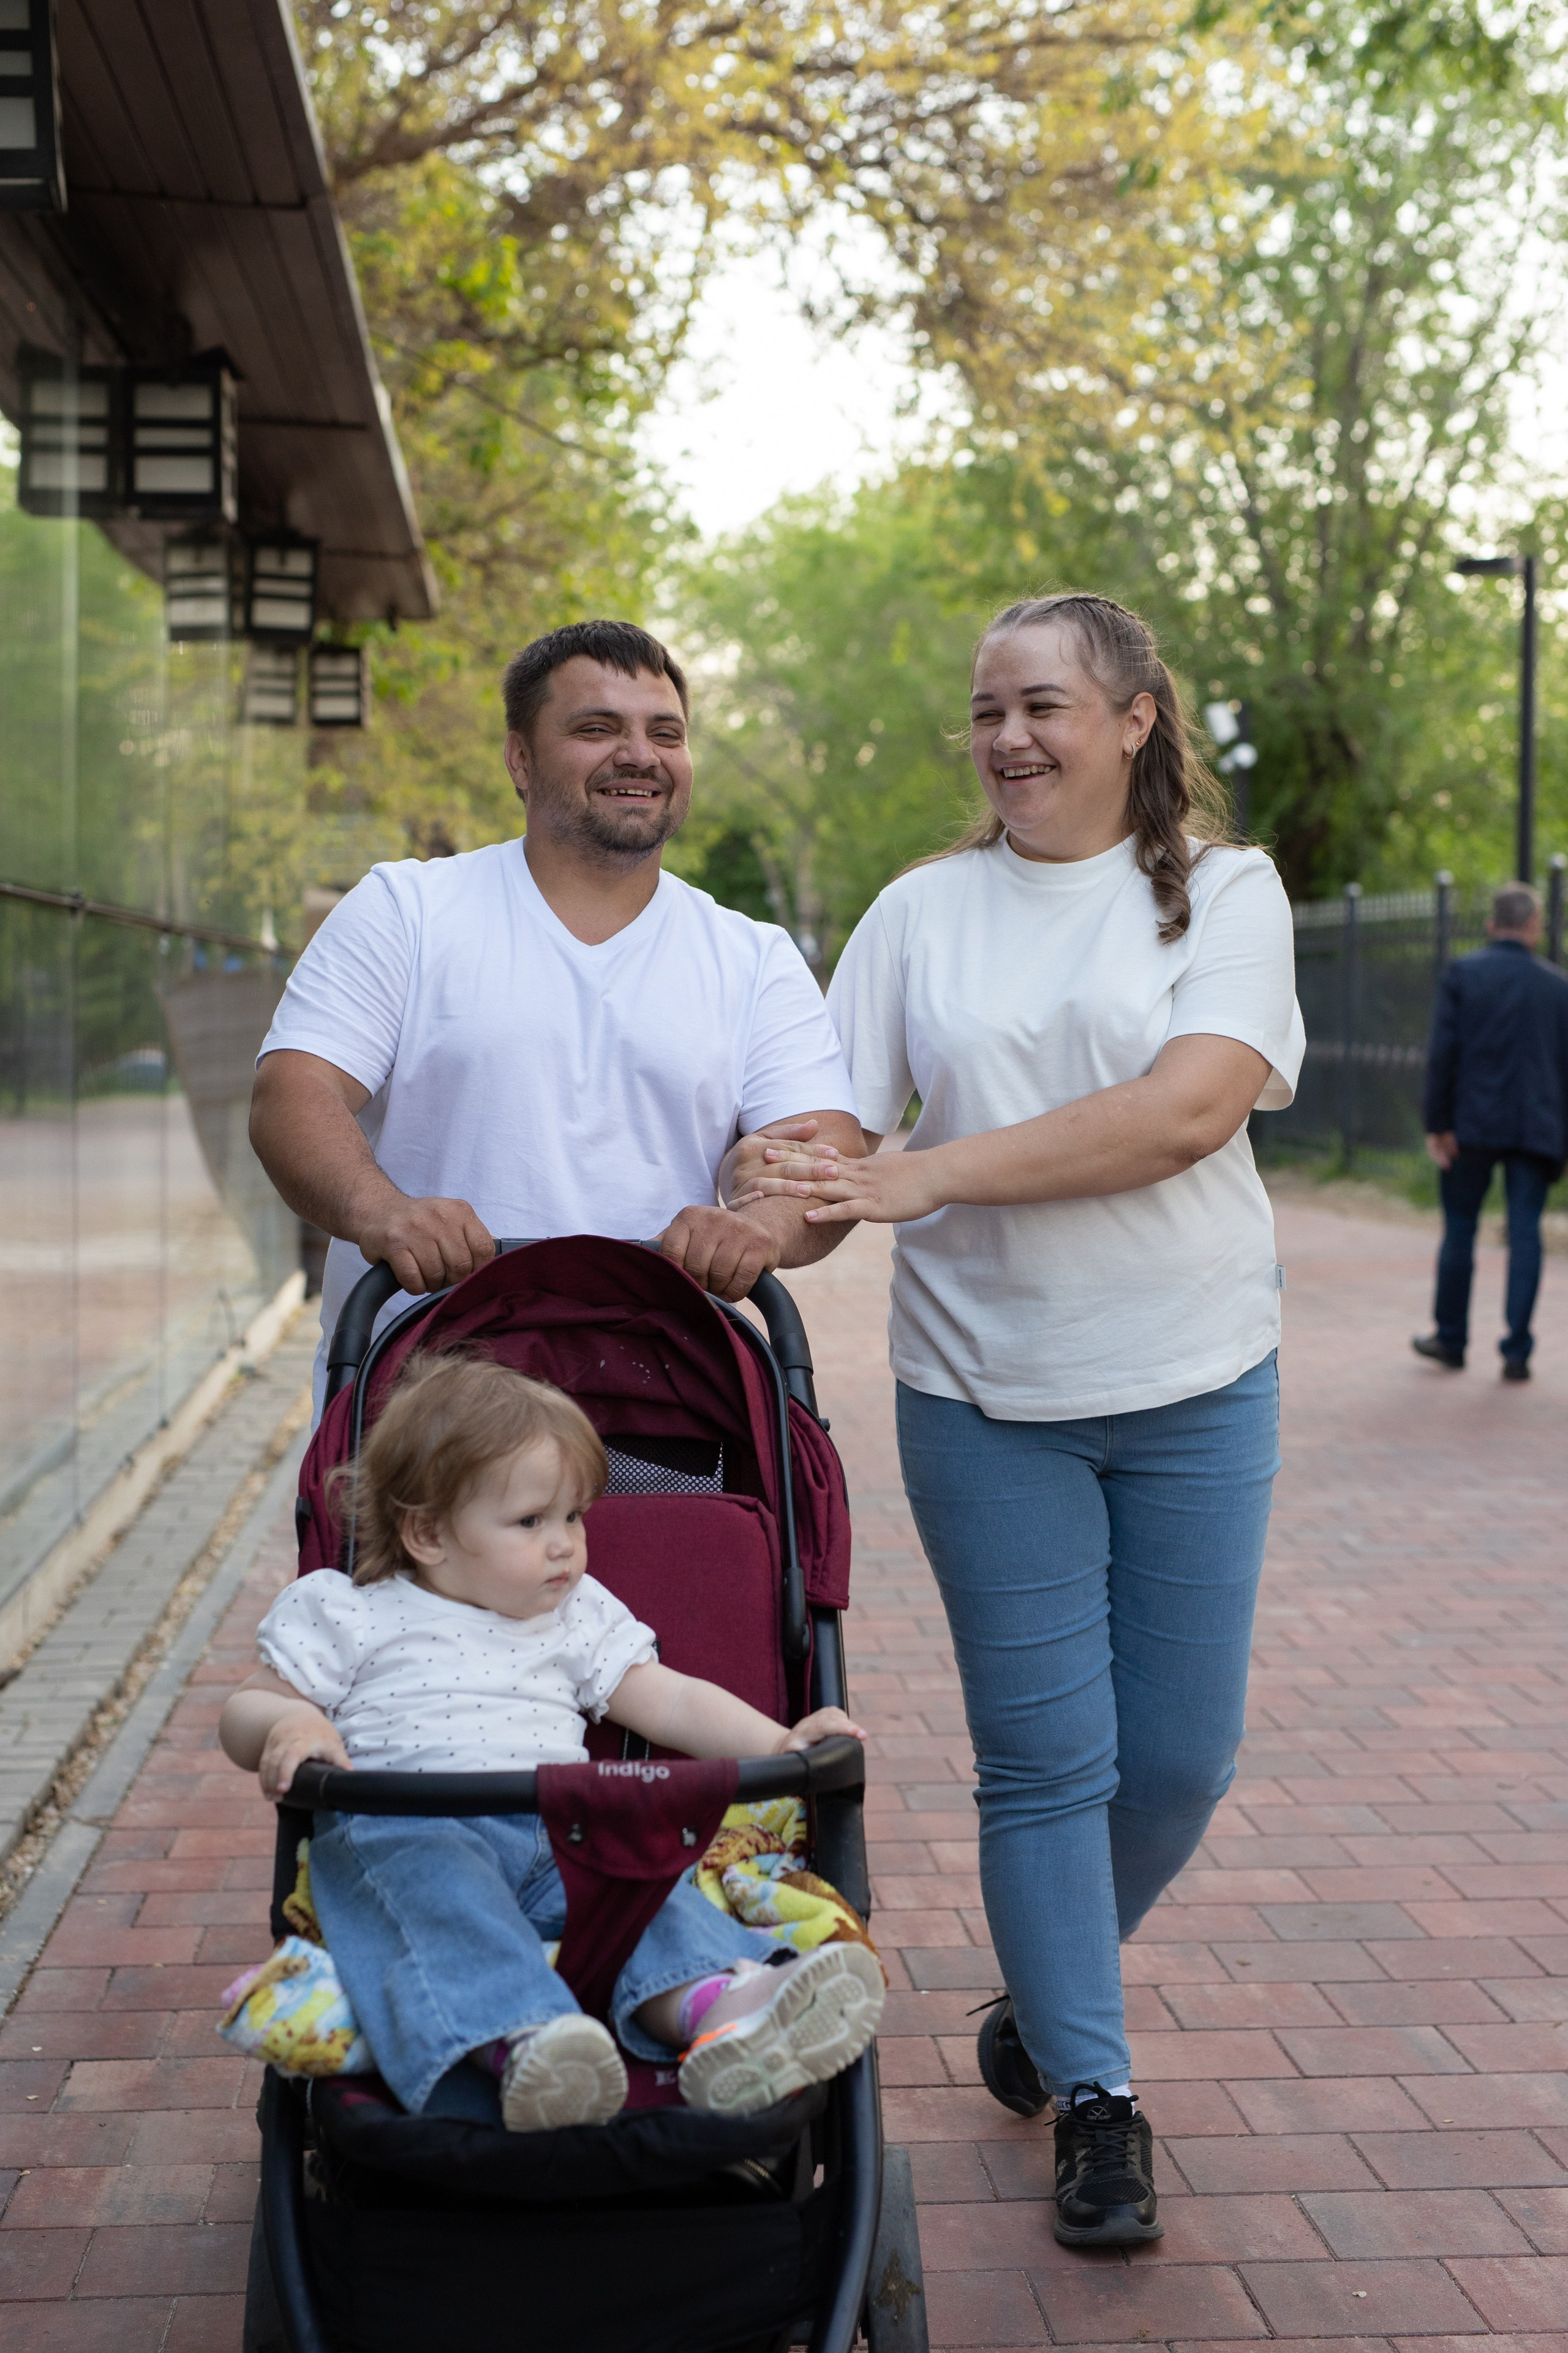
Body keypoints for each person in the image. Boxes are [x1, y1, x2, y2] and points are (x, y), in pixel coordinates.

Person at [729, 593, 1303, 2249]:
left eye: (1043, 705)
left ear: (1134, 717)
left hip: (1199, 1377)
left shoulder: (1233, 894)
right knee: (1048, 1767)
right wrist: (774, 1199)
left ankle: (1046, 1999)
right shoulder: (920, 914)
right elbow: (833, 1144)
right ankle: (1097, 2096)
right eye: (987, 712)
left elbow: (1186, 1111)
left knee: (1182, 1759)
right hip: (986, 1397)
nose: (1009, 739)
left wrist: (926, 1172)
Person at [219, 1352, 883, 2129]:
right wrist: (293, 1722)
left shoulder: (572, 1615)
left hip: (558, 1827)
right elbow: (246, 1707)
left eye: (573, 1516)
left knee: (645, 1886)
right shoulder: (348, 1610)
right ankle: (527, 2040)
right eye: (532, 1522)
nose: (566, 1542)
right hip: (409, 1827)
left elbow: (665, 1699)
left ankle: (714, 2006)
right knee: (442, 1900)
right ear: (428, 1531)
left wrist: (781, 1738)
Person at [251, 620, 863, 1416]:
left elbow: (824, 1156)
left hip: (662, 1402)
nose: (639, 754)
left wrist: (763, 1229)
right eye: (596, 727)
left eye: (665, 732)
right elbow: (292, 1093)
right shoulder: (407, 911)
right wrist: (383, 1211)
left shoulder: (752, 957)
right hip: (427, 1402)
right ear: (520, 758)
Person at [1413, 881, 1568, 1382]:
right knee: (1526, 1232)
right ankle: (1517, 1350)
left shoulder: (1464, 974)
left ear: (1490, 924)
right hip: (1536, 1126)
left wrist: (1438, 1123)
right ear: (1534, 925)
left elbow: (1443, 1056)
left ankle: (1452, 1340)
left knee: (1461, 1228)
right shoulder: (1558, 987)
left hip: (1471, 1125)